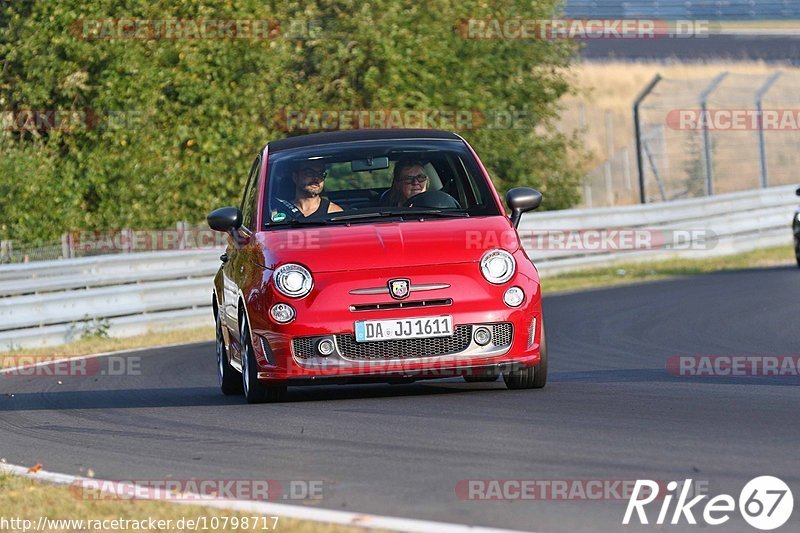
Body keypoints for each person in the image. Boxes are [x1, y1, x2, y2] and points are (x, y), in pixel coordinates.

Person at [276, 160, 343, 219]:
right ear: (295, 177)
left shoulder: (333, 213)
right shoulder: (278, 213)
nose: (316, 178)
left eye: (320, 174)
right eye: (309, 173)